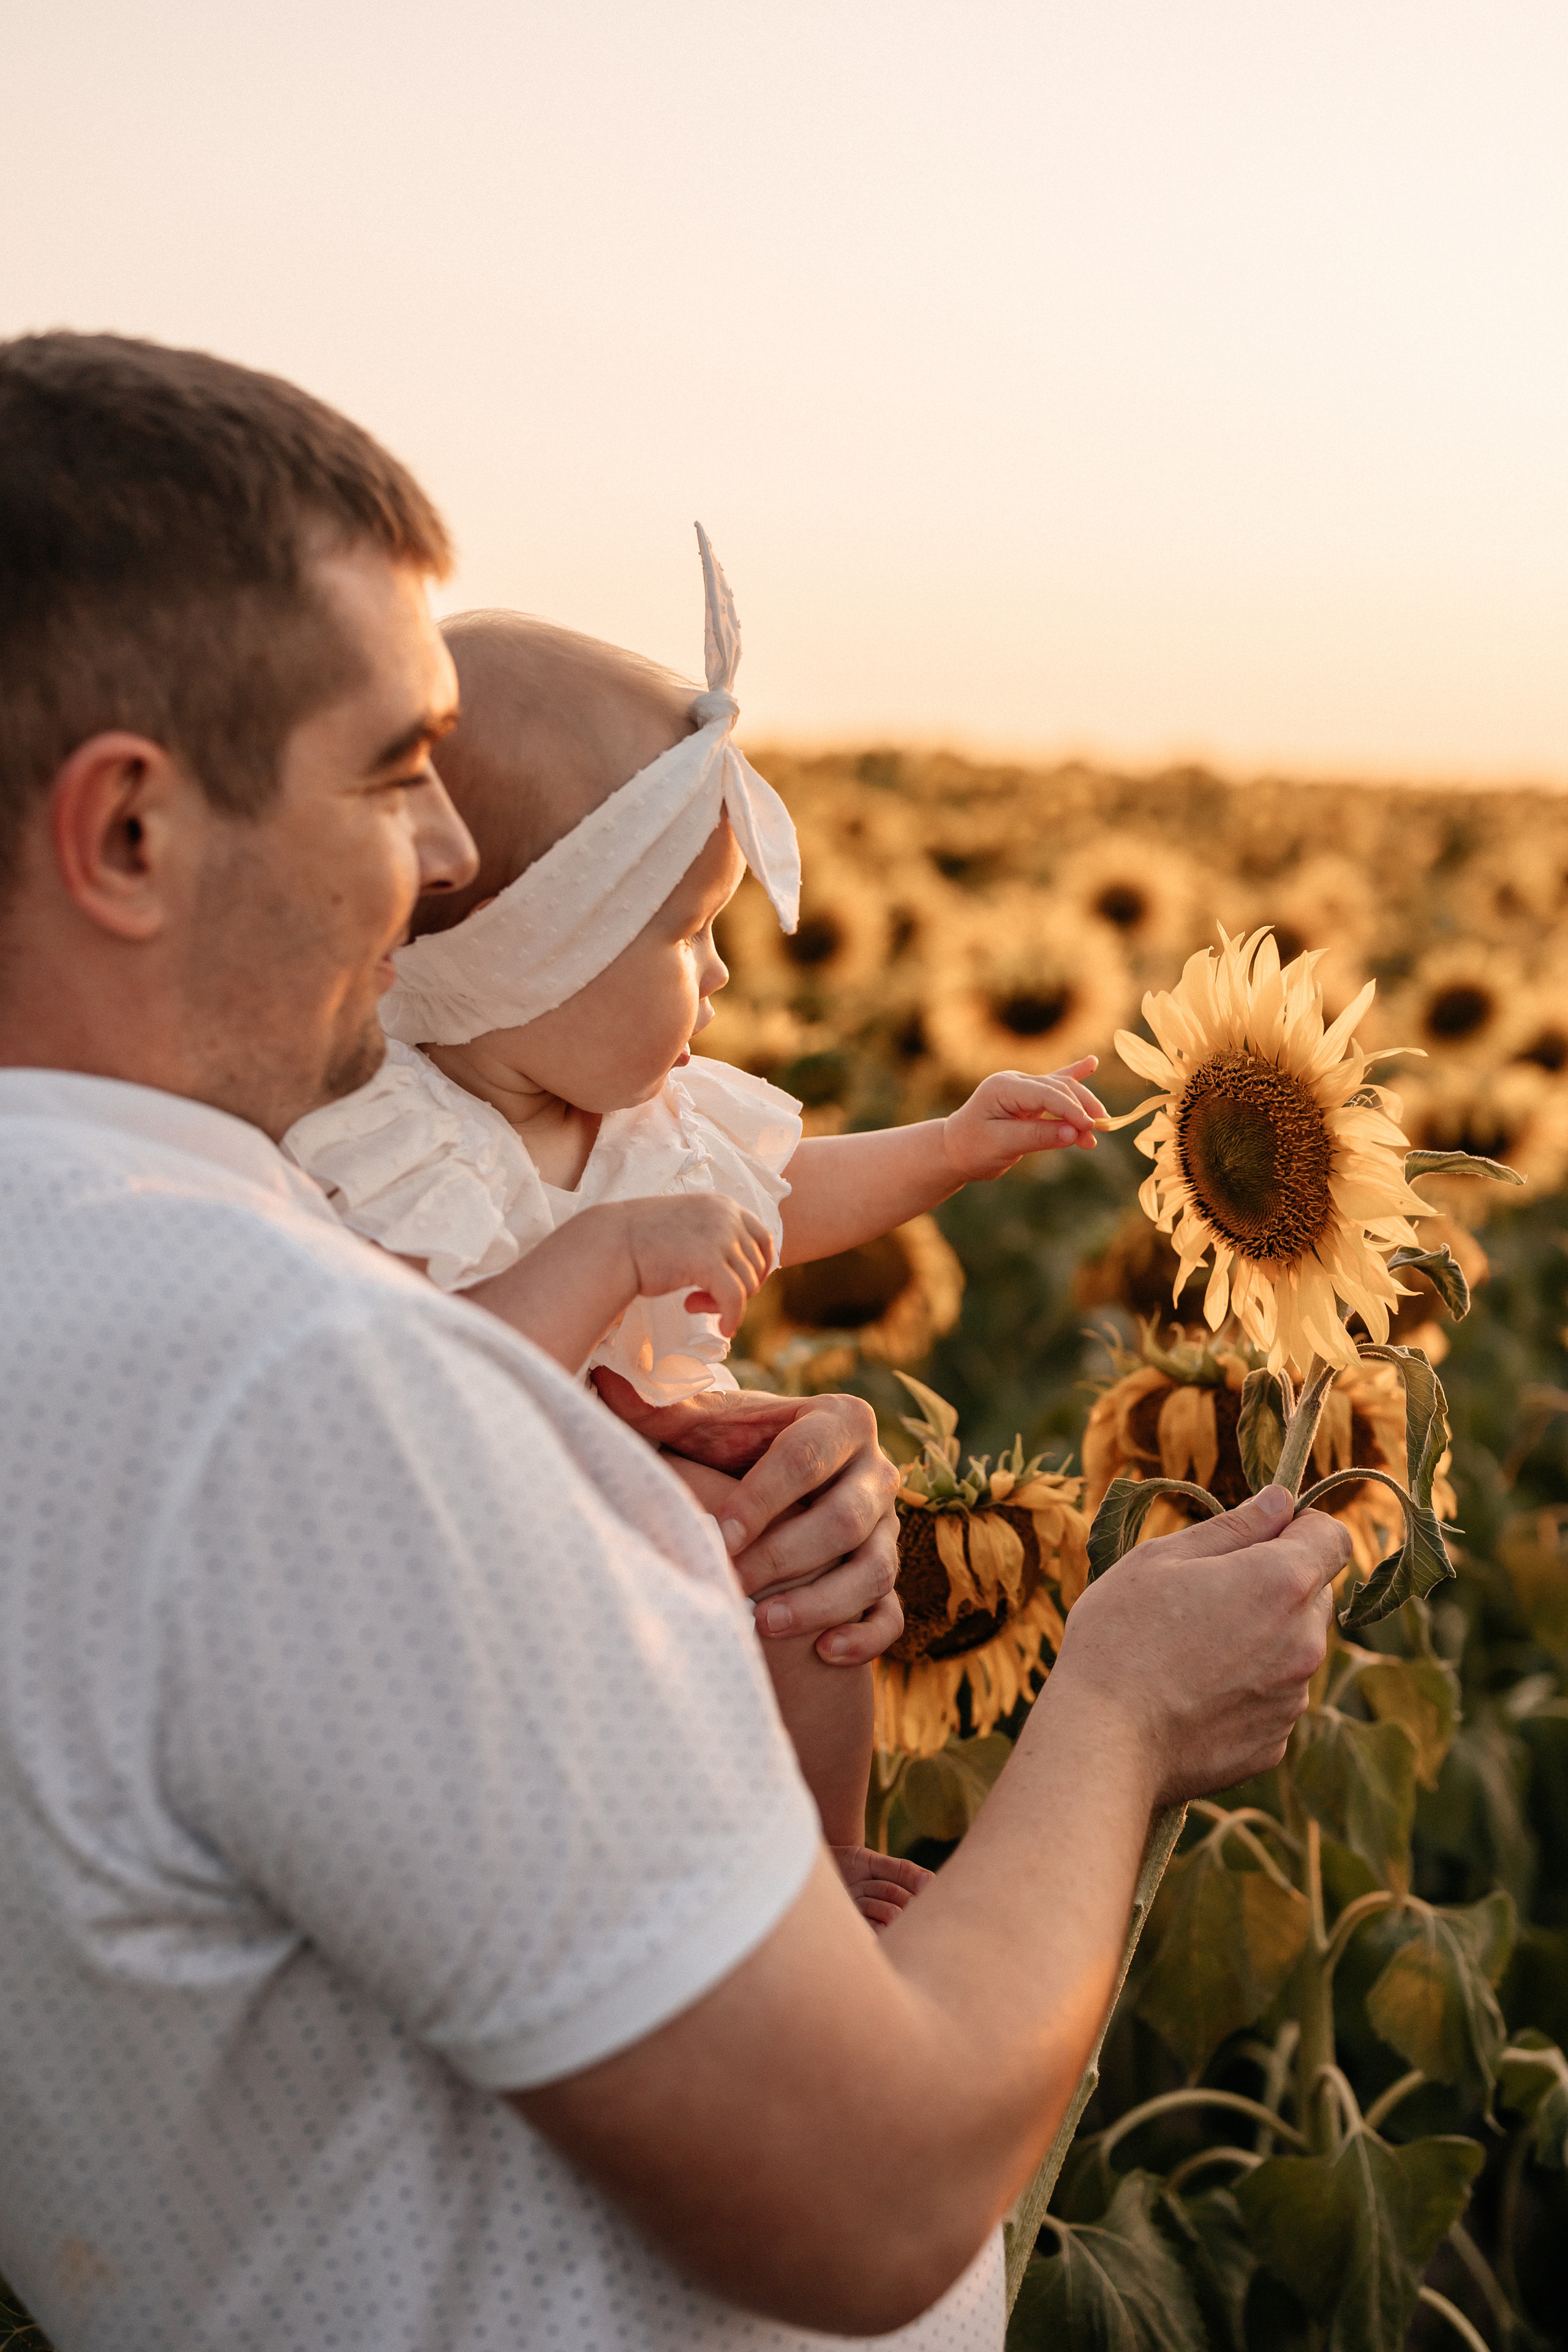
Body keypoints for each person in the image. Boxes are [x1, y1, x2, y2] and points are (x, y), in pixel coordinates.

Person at [0, 330, 1348, 2352]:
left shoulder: (110, 1274)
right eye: (390, 776)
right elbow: (876, 2192)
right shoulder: (296, 1372)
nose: (450, 857)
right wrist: (1125, 1712)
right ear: (127, 838)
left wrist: (623, 1561)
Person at [283, 540, 1106, 1851]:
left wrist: (949, 1148)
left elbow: (778, 1199)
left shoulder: (645, 1118)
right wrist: (608, 1258)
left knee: (816, 1569)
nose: (719, 975)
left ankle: (826, 1857)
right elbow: (438, 1381)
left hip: (676, 1516)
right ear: (524, 960)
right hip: (484, 1570)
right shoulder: (381, 1143)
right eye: (683, 935)